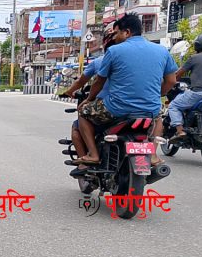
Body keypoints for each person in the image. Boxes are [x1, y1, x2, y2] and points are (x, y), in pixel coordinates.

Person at [76, 13, 177, 165]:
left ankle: (93, 155)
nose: (114, 37)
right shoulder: (162, 51)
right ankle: (153, 155)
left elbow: (99, 81)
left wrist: (89, 99)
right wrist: (157, 95)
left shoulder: (114, 51)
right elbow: (171, 80)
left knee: (83, 113)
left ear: (127, 32)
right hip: (150, 109)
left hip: (116, 109)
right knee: (158, 119)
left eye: (116, 33)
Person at [61, 27, 120, 164]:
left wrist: (77, 95)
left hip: (111, 108)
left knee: (81, 117)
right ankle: (152, 156)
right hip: (142, 110)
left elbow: (87, 81)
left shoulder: (101, 61)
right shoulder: (140, 60)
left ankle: (87, 160)